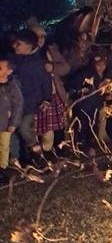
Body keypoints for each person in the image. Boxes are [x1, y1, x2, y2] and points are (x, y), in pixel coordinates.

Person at [11, 30, 53, 165]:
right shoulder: (15, 58)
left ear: (28, 45)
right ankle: (26, 158)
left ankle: (38, 156)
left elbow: (46, 81)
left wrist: (47, 99)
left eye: (19, 44)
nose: (14, 46)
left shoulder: (39, 63)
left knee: (24, 128)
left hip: (30, 103)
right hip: (15, 102)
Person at [69, 46, 112, 154]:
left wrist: (106, 96)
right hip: (86, 106)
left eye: (103, 65)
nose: (101, 67)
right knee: (85, 126)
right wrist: (81, 91)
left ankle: (93, 145)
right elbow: (74, 86)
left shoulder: (105, 75)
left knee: (96, 125)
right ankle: (83, 146)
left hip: (96, 105)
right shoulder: (86, 74)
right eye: (99, 65)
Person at [29, 23, 70, 151]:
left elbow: (66, 67)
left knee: (52, 128)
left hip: (52, 93)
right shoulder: (24, 55)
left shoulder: (50, 51)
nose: (40, 39)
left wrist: (53, 67)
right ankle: (37, 153)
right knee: (36, 128)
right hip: (34, 97)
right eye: (37, 36)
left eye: (43, 36)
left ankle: (51, 150)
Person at [0, 57, 23, 180]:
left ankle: (2, 169)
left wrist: (13, 123)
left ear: (9, 71)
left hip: (4, 123)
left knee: (4, 146)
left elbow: (18, 105)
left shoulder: (12, 87)